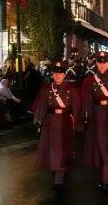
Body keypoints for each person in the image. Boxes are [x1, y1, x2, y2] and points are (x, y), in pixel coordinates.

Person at [34, 59, 83, 190]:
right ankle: (57, 174)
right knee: (52, 151)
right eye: (55, 73)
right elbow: (42, 107)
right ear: (52, 74)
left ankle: (59, 179)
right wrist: (39, 122)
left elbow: (77, 108)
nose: (57, 76)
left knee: (62, 150)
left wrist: (78, 125)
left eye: (60, 73)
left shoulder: (71, 89)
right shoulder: (46, 89)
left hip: (65, 122)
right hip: (50, 122)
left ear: (64, 74)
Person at [81, 51, 108, 193]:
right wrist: (86, 117)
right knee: (98, 149)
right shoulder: (90, 81)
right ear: (96, 63)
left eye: (105, 62)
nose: (102, 65)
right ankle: (103, 178)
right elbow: (87, 101)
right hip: (96, 116)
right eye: (99, 62)